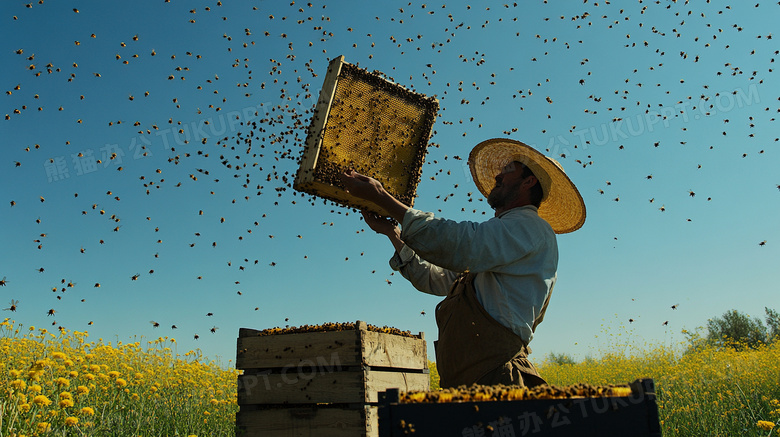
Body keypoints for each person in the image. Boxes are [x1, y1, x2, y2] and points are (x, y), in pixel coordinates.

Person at [340, 138, 586, 388]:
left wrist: (383, 198)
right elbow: (435, 279)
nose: (498, 176)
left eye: (508, 170)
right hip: (470, 380)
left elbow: (461, 244)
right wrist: (393, 234)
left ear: (528, 181)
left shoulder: (531, 228)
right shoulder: (498, 243)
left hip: (498, 377)